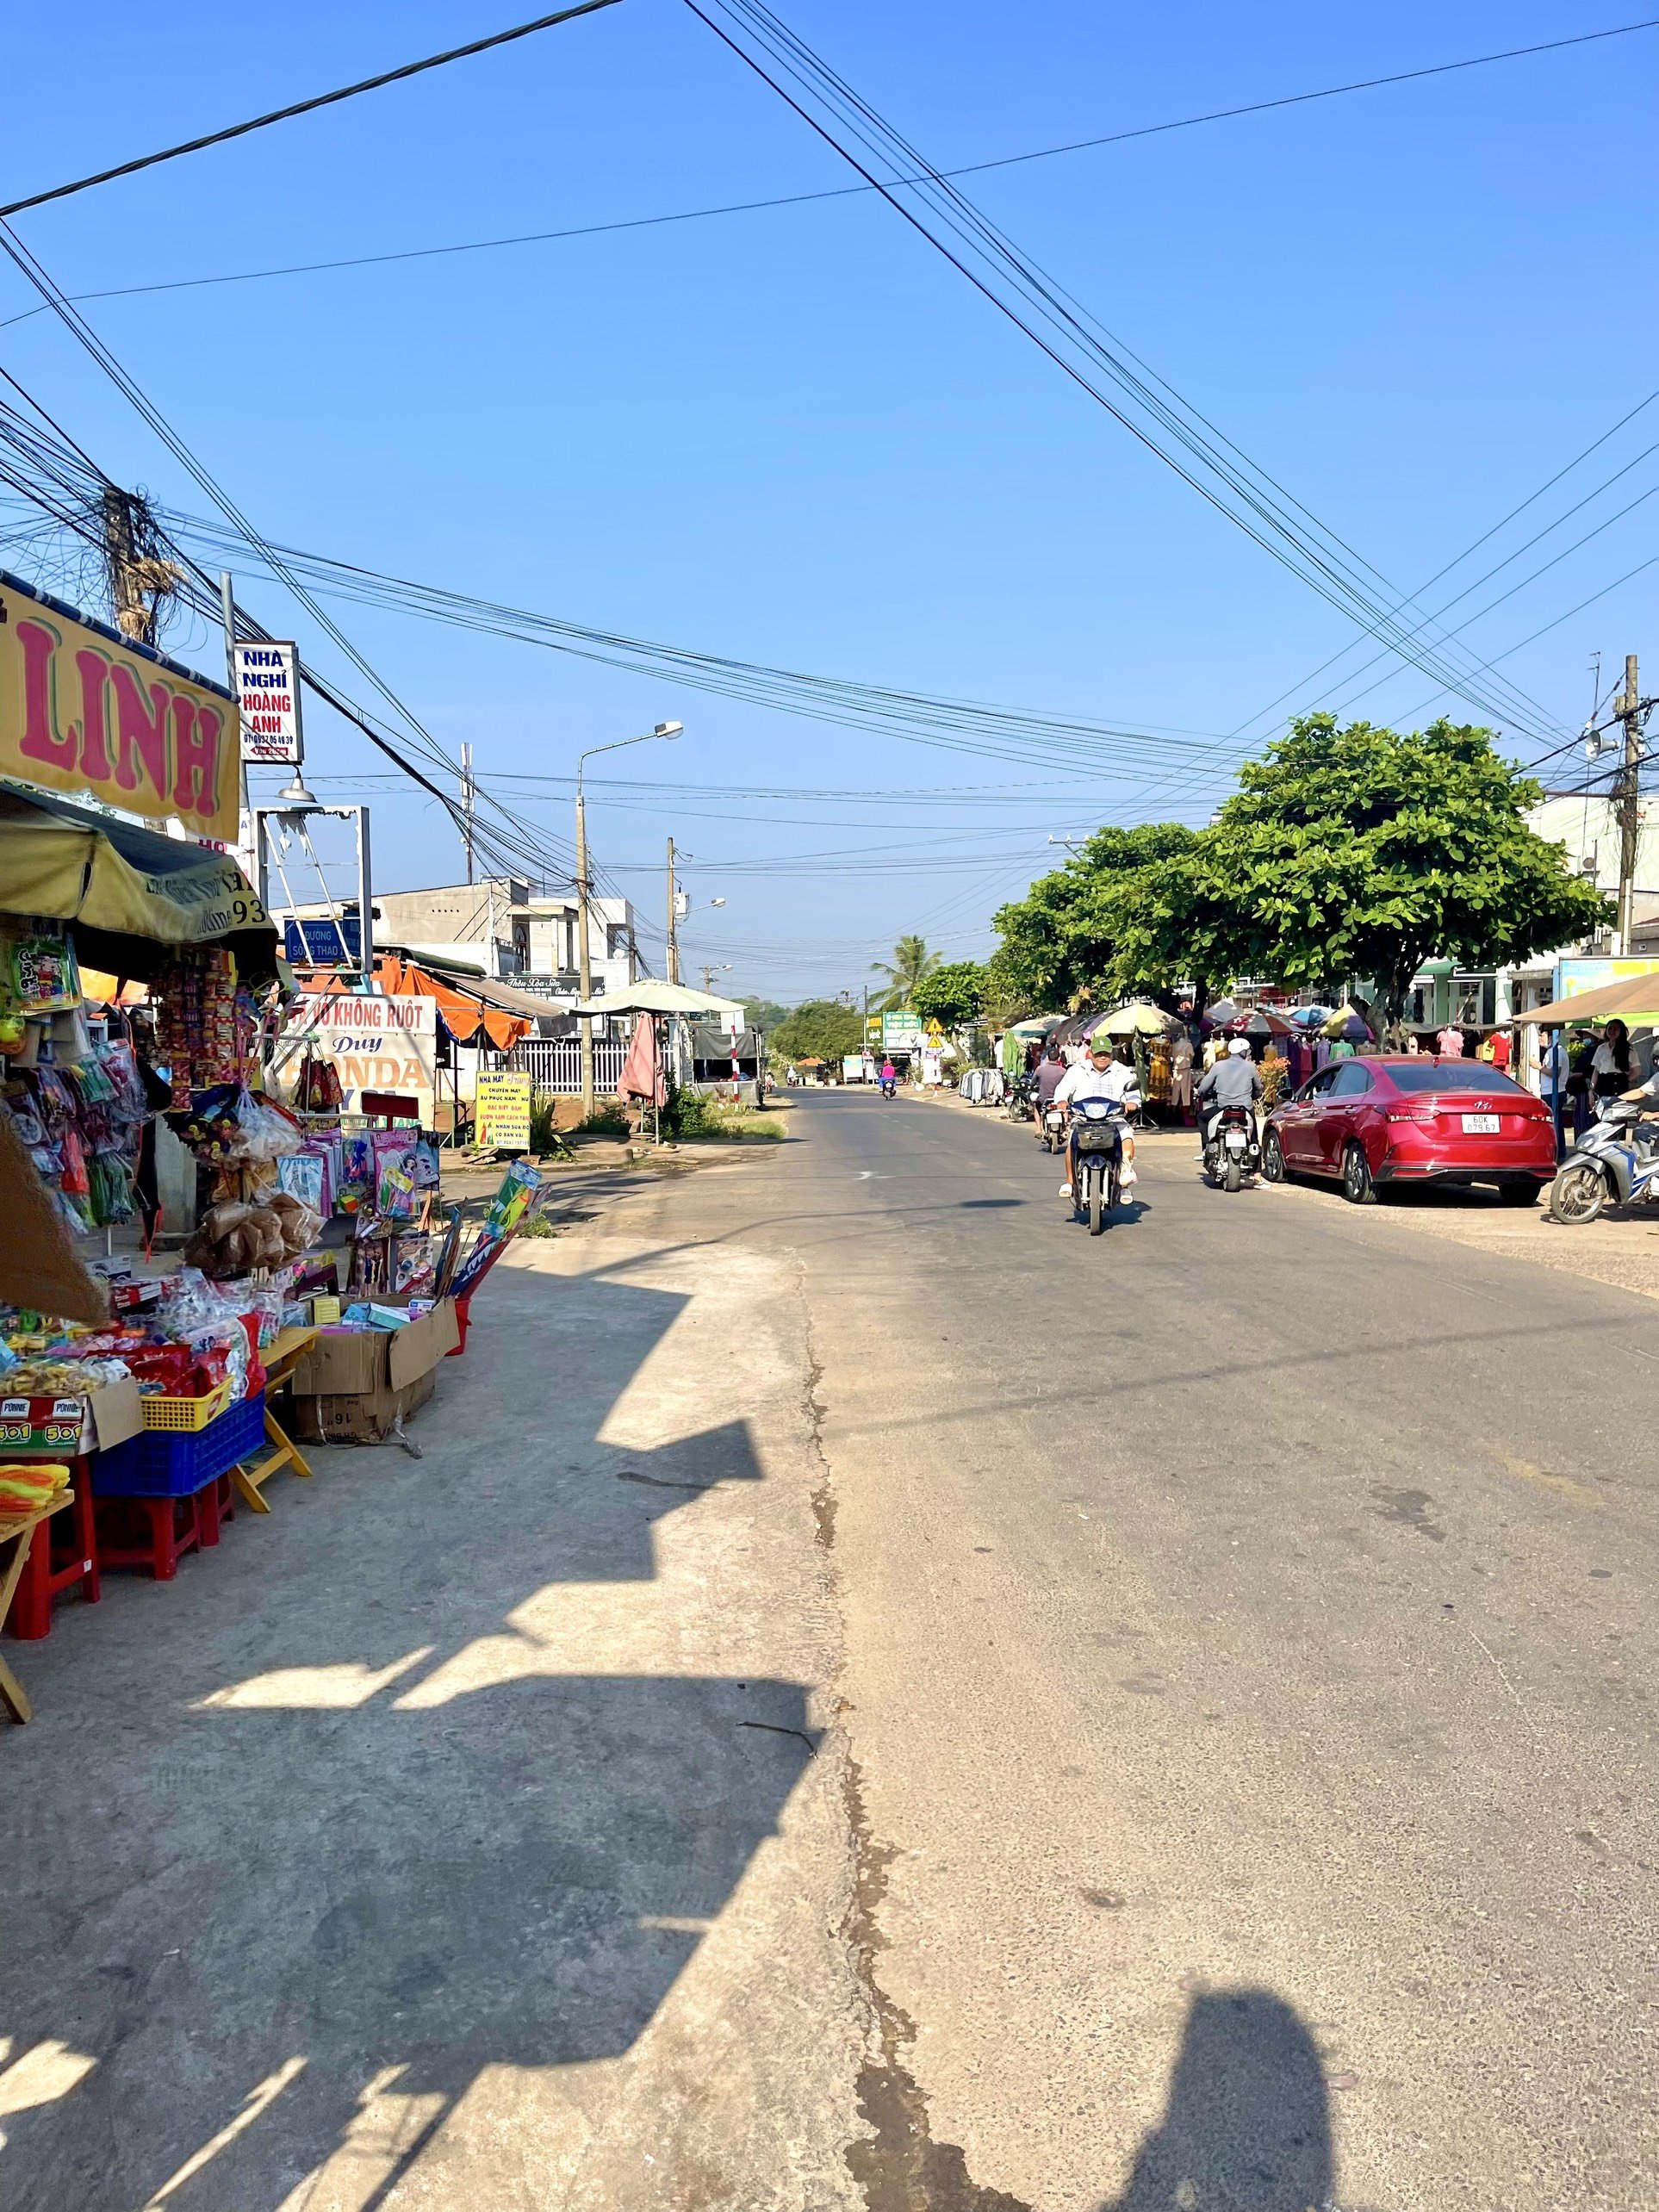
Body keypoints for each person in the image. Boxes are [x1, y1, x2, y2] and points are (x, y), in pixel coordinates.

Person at [1055, 1038, 1140, 1198]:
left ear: (1111, 1054)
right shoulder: (1078, 1069)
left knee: (1127, 1137)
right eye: (1099, 1054)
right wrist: (1061, 1101)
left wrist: (1132, 1101)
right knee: (1072, 1142)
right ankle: (1069, 1181)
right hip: (1083, 1118)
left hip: (1113, 1118)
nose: (1102, 1057)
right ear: (1091, 1053)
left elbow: (1133, 1092)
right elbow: (1063, 1088)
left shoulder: (1121, 1071)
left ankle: (1124, 1179)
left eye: (1106, 1054)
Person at [1196, 1035, 1264, 1157]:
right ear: (1243, 1051)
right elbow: (1258, 1088)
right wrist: (1255, 1096)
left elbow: (1203, 1088)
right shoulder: (1250, 1067)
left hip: (1223, 1107)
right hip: (1246, 1108)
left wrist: (1200, 1093)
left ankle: (1206, 1149)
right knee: (1254, 1137)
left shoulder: (1218, 1066)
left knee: (1202, 1117)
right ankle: (1257, 1172)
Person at [1592, 1016, 1632, 1106]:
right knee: (1601, 1111)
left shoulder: (1628, 1049)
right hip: (1603, 1083)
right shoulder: (1601, 1048)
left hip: (1619, 1084)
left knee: (1617, 1111)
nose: (1612, 1031)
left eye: (1616, 1029)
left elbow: (1637, 1070)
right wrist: (1592, 1089)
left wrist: (1624, 1080)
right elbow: (1596, 1071)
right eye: (1610, 1028)